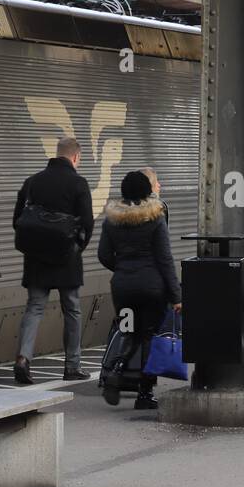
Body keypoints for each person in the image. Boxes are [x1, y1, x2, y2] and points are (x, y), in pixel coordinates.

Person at [12, 136, 94, 385]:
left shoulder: (33, 182)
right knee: (72, 309)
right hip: (66, 256)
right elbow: (87, 222)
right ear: (76, 157)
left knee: (35, 308)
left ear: (56, 153)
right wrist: (77, 248)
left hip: (36, 257)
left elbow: (18, 219)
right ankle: (72, 366)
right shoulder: (78, 183)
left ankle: (23, 359)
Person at [97, 169, 181, 410]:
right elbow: (165, 259)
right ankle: (144, 394)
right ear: (147, 191)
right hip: (151, 289)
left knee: (128, 332)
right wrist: (176, 295)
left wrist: (122, 269)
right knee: (148, 337)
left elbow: (103, 255)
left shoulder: (111, 220)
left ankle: (117, 368)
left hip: (123, 289)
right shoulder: (155, 218)